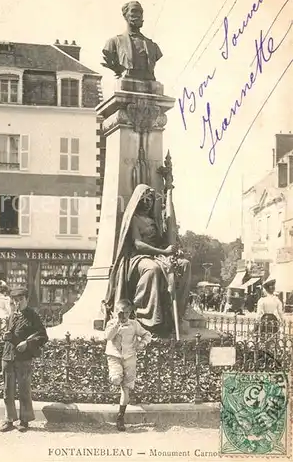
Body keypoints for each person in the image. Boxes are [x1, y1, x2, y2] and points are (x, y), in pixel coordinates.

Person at [103, 184, 191, 336]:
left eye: (151, 198)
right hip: (137, 258)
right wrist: (163, 251)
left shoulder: (154, 220)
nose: (149, 201)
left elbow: (163, 240)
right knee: (153, 270)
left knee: (185, 265)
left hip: (157, 256)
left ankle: (176, 313)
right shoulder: (133, 219)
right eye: (145, 198)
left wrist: (175, 250)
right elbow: (138, 244)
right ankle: (145, 318)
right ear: (138, 200)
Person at [0, 287, 48, 433]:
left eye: (21, 299)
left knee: (24, 390)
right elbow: (10, 334)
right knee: (7, 390)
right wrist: (5, 335)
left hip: (24, 358)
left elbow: (43, 336)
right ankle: (9, 420)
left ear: (26, 299)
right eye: (15, 300)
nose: (18, 302)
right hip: (8, 356)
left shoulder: (33, 315)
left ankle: (24, 420)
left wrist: (27, 343)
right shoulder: (13, 315)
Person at [105, 299, 151, 431]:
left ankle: (120, 417)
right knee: (115, 379)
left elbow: (147, 334)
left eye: (126, 313)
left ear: (130, 312)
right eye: (120, 312)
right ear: (115, 312)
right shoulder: (111, 323)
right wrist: (117, 323)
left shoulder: (134, 324)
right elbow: (108, 336)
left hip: (130, 357)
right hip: (115, 356)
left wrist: (142, 343)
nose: (123, 315)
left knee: (126, 387)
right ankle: (117, 378)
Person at [102, 1, 162, 81]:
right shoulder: (113, 42)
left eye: (140, 12)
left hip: (149, 84)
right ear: (125, 15)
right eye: (134, 11)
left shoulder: (153, 46)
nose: (138, 15)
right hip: (126, 82)